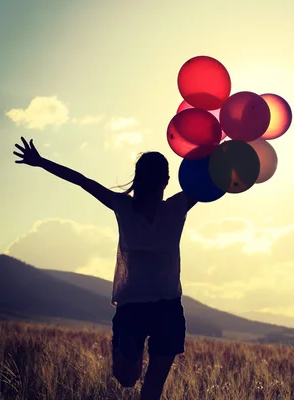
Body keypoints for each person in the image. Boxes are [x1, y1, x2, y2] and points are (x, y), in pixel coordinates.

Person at [13, 136, 197, 400]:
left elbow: (82, 180)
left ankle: (125, 345)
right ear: (167, 180)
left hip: (160, 307)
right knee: (131, 380)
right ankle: (126, 345)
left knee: (146, 387)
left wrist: (42, 162)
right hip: (142, 306)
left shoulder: (166, 207)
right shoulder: (155, 205)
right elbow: (216, 181)